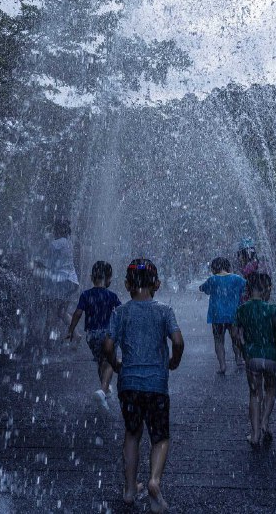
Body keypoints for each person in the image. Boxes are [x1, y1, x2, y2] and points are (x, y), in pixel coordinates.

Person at [104, 259, 184, 513]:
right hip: (156, 385)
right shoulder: (164, 311)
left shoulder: (121, 312)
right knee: (159, 436)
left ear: (127, 285)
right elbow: (178, 341)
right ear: (157, 284)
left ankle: (129, 489)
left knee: (132, 433)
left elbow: (107, 345)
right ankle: (153, 481)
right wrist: (173, 360)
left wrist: (116, 364)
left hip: (128, 384)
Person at [233, 272, 276, 448]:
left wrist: (244, 349)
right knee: (271, 390)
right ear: (266, 289)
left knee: (254, 394)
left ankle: (255, 434)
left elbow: (235, 335)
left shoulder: (242, 309)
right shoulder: (273, 309)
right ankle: (265, 421)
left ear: (249, 289)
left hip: (252, 358)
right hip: (271, 357)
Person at [66, 260, 121, 410]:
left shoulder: (85, 295)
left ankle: (105, 390)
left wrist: (71, 330)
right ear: (109, 279)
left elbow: (77, 313)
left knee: (100, 361)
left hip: (91, 335)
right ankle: (103, 390)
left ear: (91, 277)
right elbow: (122, 313)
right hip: (107, 334)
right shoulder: (111, 296)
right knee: (110, 362)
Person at [199, 256, 247, 374]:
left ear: (214, 268)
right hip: (234, 315)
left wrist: (202, 287)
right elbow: (246, 288)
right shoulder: (237, 279)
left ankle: (222, 365)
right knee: (236, 338)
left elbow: (203, 289)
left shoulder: (212, 279)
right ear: (228, 266)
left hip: (217, 316)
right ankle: (239, 359)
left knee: (219, 340)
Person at [38, 218, 79, 340]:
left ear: (58, 230)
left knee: (52, 309)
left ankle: (47, 339)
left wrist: (38, 264)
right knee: (61, 311)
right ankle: (76, 335)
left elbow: (49, 262)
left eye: (54, 229)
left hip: (63, 281)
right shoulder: (67, 242)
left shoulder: (57, 243)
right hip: (72, 281)